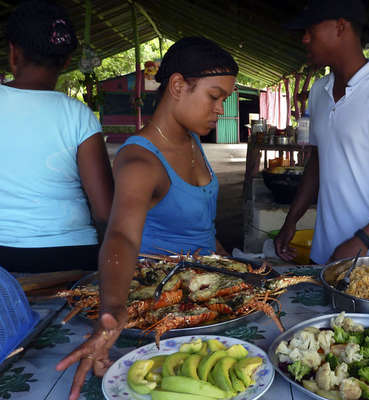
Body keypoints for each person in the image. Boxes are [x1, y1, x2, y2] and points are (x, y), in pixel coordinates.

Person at [56, 36, 238, 400]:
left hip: (207, 297)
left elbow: (198, 224)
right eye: (214, 96)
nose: (220, 109)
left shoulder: (191, 139)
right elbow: (121, 235)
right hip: (163, 309)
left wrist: (231, 265)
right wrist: (112, 309)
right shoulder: (140, 161)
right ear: (177, 86)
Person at [274, 0, 369, 264]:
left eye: (311, 29)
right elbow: (318, 162)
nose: (304, 39)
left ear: (340, 27)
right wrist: (291, 221)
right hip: (326, 251)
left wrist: (362, 241)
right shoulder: (318, 92)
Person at [0, 0, 113, 272]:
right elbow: (105, 210)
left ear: (13, 54)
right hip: (70, 257)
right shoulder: (79, 115)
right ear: (66, 61)